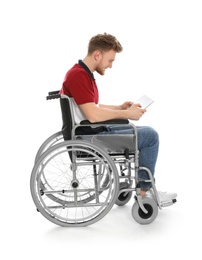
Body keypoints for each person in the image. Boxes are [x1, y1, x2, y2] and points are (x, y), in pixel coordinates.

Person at [60, 32, 177, 202]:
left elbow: (91, 107)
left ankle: (143, 186)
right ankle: (145, 192)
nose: (110, 65)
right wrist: (126, 114)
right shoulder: (79, 76)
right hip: (91, 137)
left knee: (140, 130)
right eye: (110, 60)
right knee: (150, 136)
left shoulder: (81, 73)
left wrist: (119, 108)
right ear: (97, 54)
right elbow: (93, 115)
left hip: (90, 131)